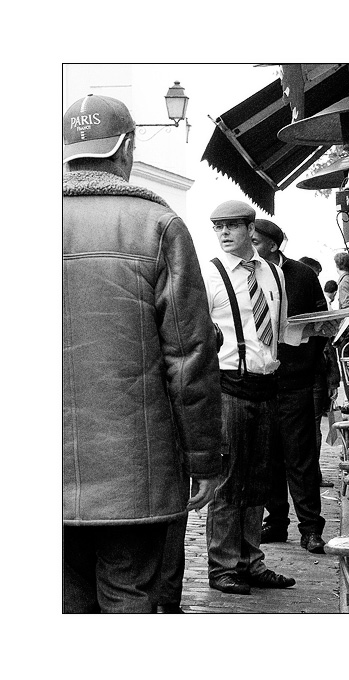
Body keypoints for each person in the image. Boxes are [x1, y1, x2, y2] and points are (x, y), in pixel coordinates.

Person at [63, 94, 222, 614]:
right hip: (136, 471)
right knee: (129, 594)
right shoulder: (158, 226)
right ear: (127, 147)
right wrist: (203, 458)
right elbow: (189, 356)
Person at [203, 201, 338, 594]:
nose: (224, 234)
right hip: (228, 386)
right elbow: (194, 335)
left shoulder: (273, 274)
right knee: (229, 481)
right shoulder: (209, 275)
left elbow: (280, 332)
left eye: (231, 226)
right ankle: (223, 566)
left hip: (268, 385)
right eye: (218, 227)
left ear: (250, 229)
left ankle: (249, 560)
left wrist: (322, 327)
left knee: (259, 480)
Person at [251, 219, 329, 552]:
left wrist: (304, 348)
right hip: (260, 380)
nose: (250, 245)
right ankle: (277, 521)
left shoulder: (301, 275)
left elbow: (322, 322)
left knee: (301, 458)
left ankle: (311, 528)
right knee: (268, 458)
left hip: (297, 378)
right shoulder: (247, 275)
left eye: (255, 240)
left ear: (272, 244)